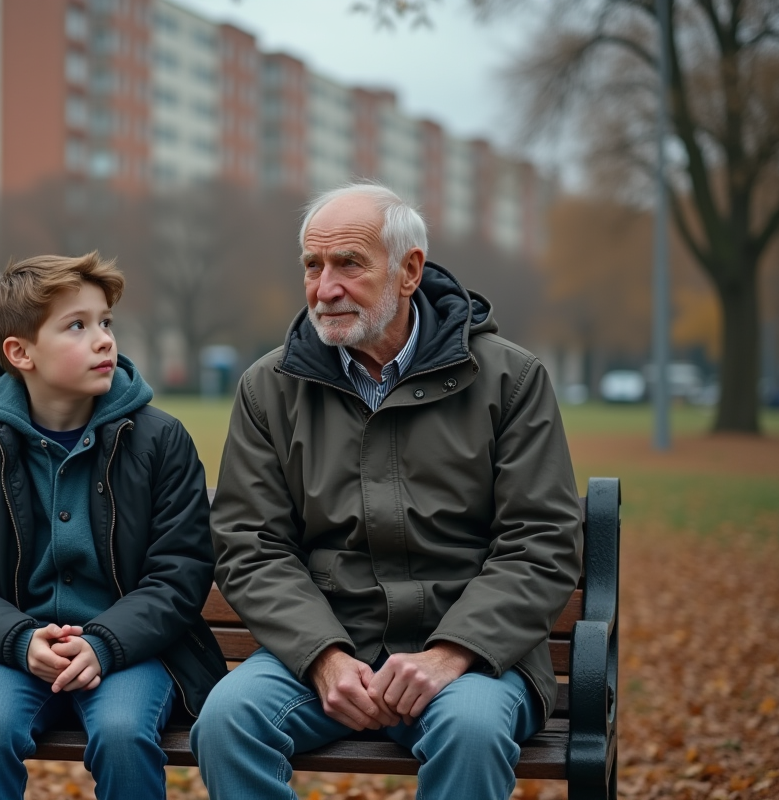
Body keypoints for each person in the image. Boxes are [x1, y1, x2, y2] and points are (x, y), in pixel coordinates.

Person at [191, 184, 584, 800]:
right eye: (313, 267)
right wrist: (323, 656)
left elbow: (542, 542)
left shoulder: (510, 378)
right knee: (227, 721)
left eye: (349, 263)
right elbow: (250, 545)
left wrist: (451, 653)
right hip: (326, 645)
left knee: (473, 729)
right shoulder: (268, 387)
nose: (326, 288)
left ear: (409, 271)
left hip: (472, 656)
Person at [0, 252, 226, 800]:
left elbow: (180, 575)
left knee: (125, 734)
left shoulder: (159, 441)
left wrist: (103, 643)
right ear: (20, 352)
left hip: (131, 651)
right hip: (12, 650)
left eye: (106, 322)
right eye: (77, 325)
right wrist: (20, 639)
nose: (103, 339)